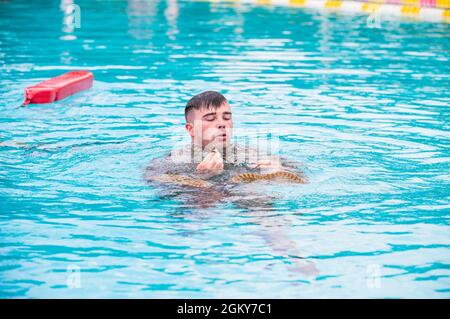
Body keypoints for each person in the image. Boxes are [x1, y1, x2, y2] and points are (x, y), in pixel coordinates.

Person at [145, 91, 306, 187]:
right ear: (191, 129)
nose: (222, 124)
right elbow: (157, 184)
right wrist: (203, 177)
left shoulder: (250, 153)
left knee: (253, 195)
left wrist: (278, 171)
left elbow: (303, 174)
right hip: (202, 208)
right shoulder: (173, 161)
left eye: (227, 117)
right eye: (210, 119)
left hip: (245, 194)